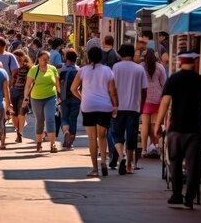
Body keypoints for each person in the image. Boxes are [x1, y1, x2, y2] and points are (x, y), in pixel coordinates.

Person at [154, 52, 201, 209]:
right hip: (195, 129)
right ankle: (189, 198)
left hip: (176, 128)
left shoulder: (173, 79)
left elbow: (165, 102)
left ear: (180, 62)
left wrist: (157, 123)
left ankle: (177, 195)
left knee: (175, 162)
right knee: (193, 166)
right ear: (194, 62)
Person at [71, 47, 118, 177]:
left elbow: (73, 88)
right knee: (102, 136)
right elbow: (113, 91)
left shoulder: (82, 71)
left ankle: (95, 169)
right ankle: (103, 161)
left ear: (89, 57)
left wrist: (82, 98)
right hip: (104, 106)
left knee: (92, 138)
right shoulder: (107, 70)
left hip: (88, 106)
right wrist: (115, 106)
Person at [111, 44, 148, 175]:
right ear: (132, 54)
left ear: (120, 53)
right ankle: (129, 166)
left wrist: (112, 104)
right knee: (131, 136)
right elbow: (144, 91)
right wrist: (142, 106)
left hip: (118, 106)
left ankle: (122, 156)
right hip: (134, 107)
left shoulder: (115, 67)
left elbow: (112, 88)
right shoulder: (139, 69)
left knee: (116, 133)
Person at [22, 51, 61, 153]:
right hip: (36, 98)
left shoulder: (53, 69)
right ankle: (39, 143)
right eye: (43, 58)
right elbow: (28, 85)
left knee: (50, 119)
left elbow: (57, 84)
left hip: (51, 97)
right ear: (38, 58)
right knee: (39, 120)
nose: (45, 61)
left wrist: (60, 96)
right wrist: (25, 98)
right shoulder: (33, 70)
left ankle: (53, 144)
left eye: (47, 59)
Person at [141, 49, 167, 157]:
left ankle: (144, 149)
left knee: (144, 124)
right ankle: (156, 146)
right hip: (157, 98)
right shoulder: (160, 67)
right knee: (155, 124)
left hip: (145, 97)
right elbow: (164, 82)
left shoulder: (141, 67)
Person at [59, 50, 80, 150]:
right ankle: (70, 142)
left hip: (64, 98)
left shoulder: (61, 70)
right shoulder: (79, 70)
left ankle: (66, 132)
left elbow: (58, 85)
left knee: (64, 117)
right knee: (73, 119)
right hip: (76, 97)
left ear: (66, 58)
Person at [10, 50, 31, 143]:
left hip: (23, 92)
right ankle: (17, 129)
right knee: (14, 113)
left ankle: (20, 132)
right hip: (13, 91)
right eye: (15, 58)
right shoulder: (12, 67)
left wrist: (27, 95)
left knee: (21, 112)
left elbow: (30, 81)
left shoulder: (28, 68)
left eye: (18, 58)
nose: (17, 60)